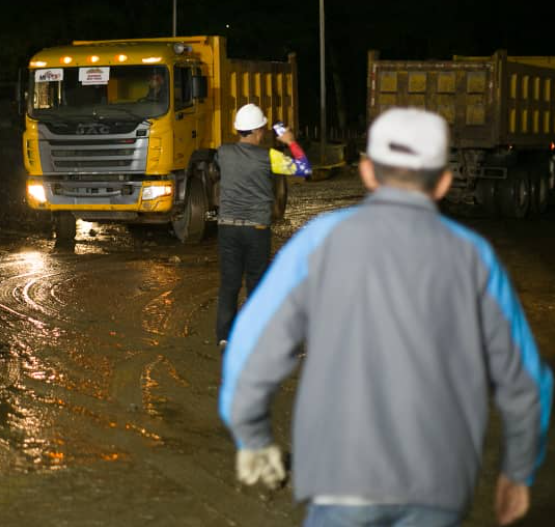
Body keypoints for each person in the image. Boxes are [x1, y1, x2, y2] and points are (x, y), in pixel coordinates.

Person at [219, 108, 552, 527]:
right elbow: (525, 380)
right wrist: (518, 472)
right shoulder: (474, 258)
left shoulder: (320, 241)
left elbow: (254, 344)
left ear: (367, 172)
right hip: (439, 484)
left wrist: (252, 436)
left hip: (340, 477)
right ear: (444, 181)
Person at [214, 103, 311, 349]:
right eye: (262, 130)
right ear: (258, 131)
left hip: (227, 228)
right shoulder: (269, 157)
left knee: (229, 284)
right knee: (256, 283)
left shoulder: (223, 152)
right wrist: (290, 141)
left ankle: (225, 337)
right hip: (256, 229)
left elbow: (216, 169)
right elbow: (304, 168)